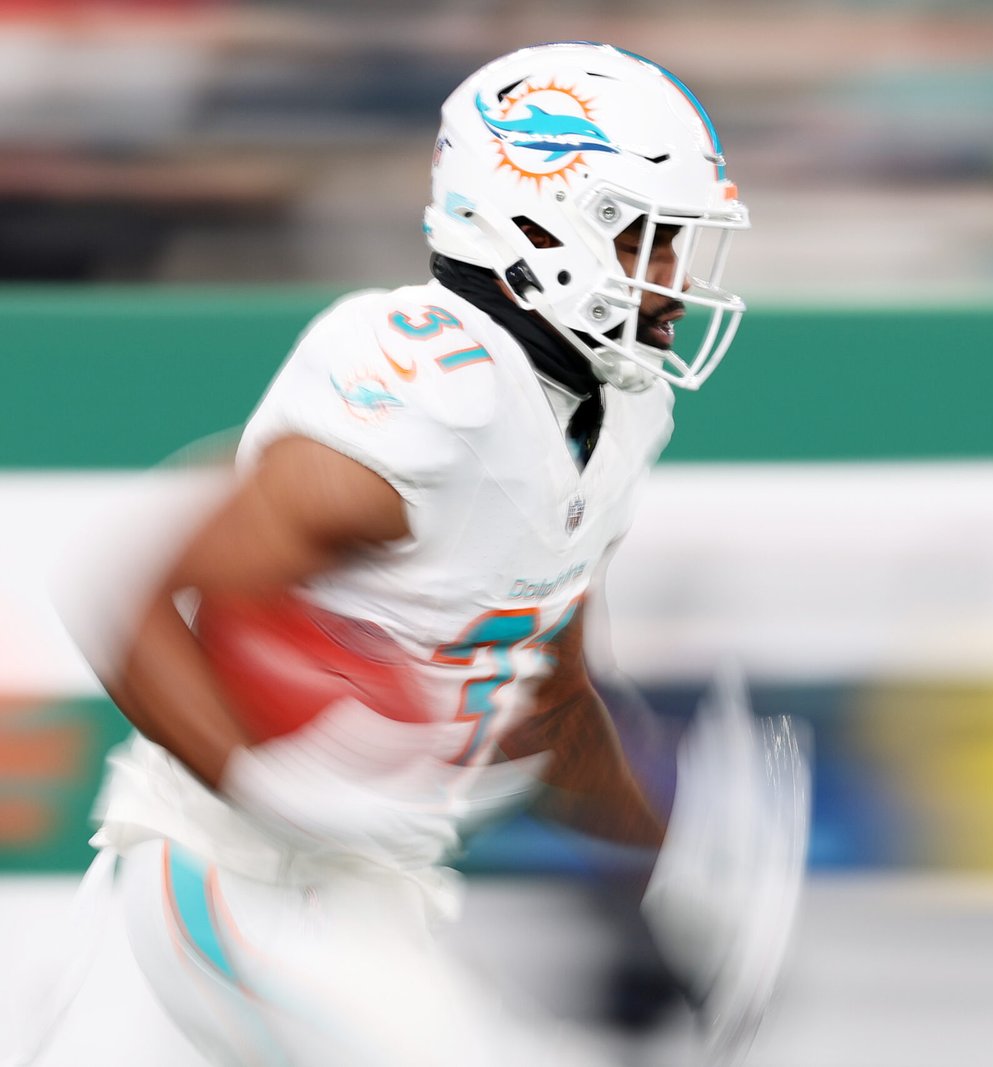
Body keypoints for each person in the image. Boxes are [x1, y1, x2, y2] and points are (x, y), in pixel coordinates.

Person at [29, 41, 809, 1067]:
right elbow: (120, 584)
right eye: (645, 241)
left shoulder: (615, 413)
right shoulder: (431, 395)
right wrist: (262, 781)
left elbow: (545, 696)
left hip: (360, 896)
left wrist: (673, 858)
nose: (672, 281)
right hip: (232, 876)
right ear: (533, 226)